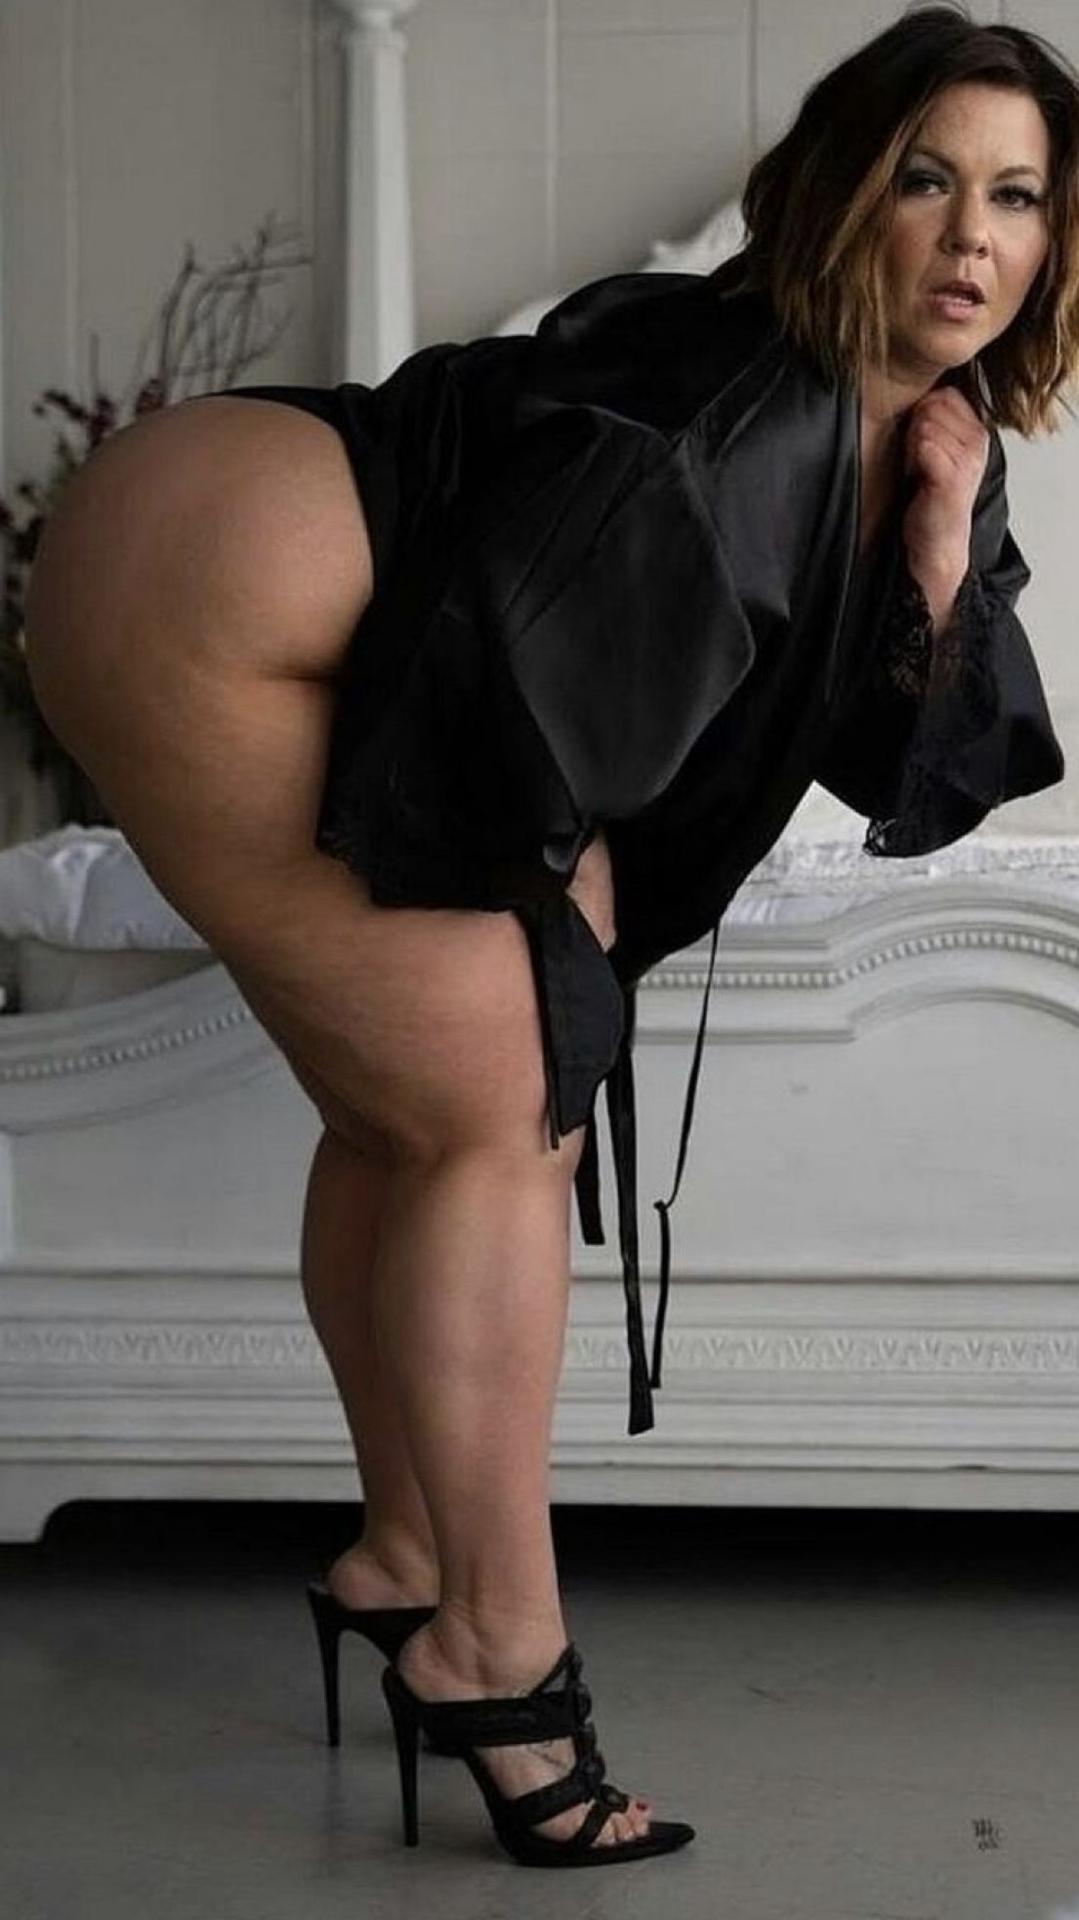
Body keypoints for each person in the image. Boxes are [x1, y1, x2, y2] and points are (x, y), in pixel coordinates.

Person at [20, 0, 1076, 1871]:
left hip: (208, 569)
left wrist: (935, 545)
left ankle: (403, 1559)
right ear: (843, 193)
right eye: (927, 179)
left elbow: (918, 767)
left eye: (1020, 195)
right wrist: (555, 927)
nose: (973, 236)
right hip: (210, 591)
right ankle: (493, 1649)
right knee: (499, 1115)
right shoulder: (746, 401)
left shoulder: (912, 433)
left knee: (409, 1114)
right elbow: (507, 656)